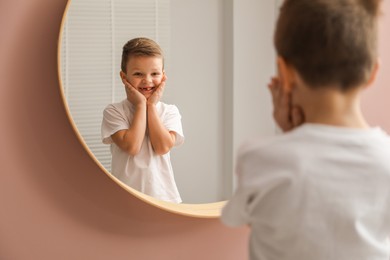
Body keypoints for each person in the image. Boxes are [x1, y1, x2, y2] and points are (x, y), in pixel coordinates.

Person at [221, 0, 390, 259]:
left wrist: (291, 136)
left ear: (284, 72)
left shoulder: (262, 158)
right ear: (373, 72)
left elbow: (245, 220)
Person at [101, 37, 184, 203]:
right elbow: (131, 146)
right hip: (125, 198)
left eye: (155, 74)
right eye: (138, 74)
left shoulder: (169, 111)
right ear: (124, 77)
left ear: (163, 76)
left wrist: (151, 107)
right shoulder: (114, 111)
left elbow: (162, 147)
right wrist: (141, 105)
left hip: (164, 197)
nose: (147, 80)